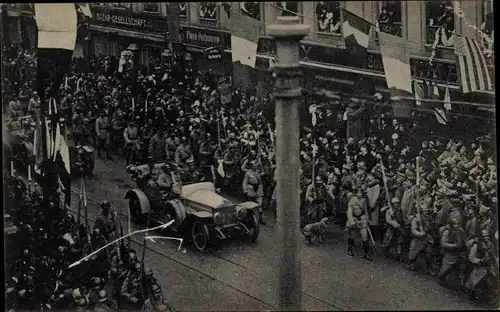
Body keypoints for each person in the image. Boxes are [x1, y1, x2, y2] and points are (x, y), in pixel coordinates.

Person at [346, 187, 372, 261]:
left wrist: (367, 219)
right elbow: (349, 212)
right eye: (358, 192)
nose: (360, 194)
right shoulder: (352, 200)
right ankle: (350, 249)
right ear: (356, 193)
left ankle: (366, 254)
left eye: (361, 192)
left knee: (365, 237)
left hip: (362, 219)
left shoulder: (364, 200)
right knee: (353, 236)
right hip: (354, 219)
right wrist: (352, 221)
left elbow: (366, 211)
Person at [242, 160, 266, 225]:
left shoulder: (258, 172)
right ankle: (248, 218)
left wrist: (261, 165)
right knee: (250, 205)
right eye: (254, 166)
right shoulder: (248, 173)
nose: (255, 167)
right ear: (251, 166)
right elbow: (244, 182)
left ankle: (260, 219)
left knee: (260, 204)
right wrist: (245, 190)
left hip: (258, 190)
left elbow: (263, 175)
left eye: (256, 166)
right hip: (251, 189)